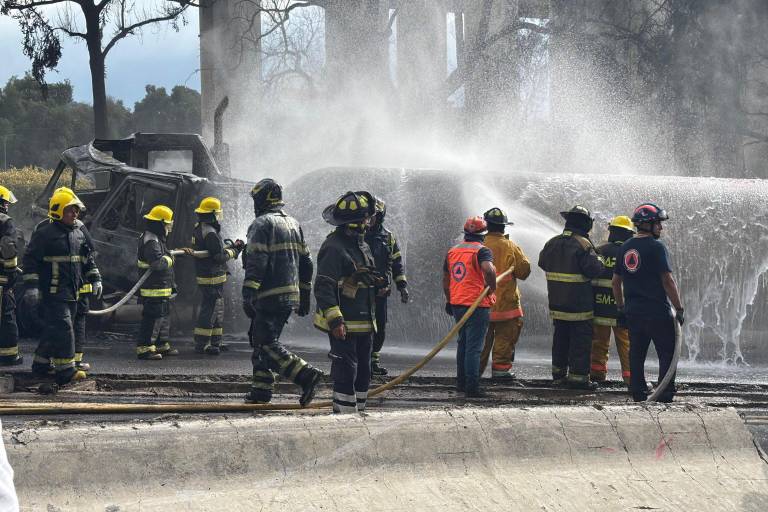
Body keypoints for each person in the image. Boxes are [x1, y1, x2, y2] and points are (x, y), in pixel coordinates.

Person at [243, 179, 322, 406]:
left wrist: (248, 292)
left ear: (262, 200)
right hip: (289, 294)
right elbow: (307, 262)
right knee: (261, 339)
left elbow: (257, 262)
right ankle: (261, 391)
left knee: (266, 344)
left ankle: (306, 375)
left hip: (269, 294)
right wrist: (304, 294)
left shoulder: (261, 224)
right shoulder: (294, 223)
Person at [22, 189, 97, 384]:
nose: (75, 214)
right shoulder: (44, 234)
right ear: (58, 211)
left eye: (76, 210)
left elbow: (87, 260)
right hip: (53, 292)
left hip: (72, 292)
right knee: (64, 328)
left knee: (54, 328)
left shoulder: (78, 234)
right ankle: (66, 371)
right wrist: (32, 287)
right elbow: (30, 261)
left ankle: (40, 364)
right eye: (70, 210)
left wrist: (95, 278)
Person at [314, 191, 379, 413]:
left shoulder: (361, 244)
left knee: (364, 372)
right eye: (366, 219)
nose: (369, 222)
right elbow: (324, 286)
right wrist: (336, 321)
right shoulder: (333, 247)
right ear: (356, 223)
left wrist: (373, 282)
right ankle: (344, 415)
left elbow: (353, 278)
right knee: (346, 370)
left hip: (364, 321)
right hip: (345, 323)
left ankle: (358, 412)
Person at [613, 203, 684, 403]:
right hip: (657, 312)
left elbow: (615, 282)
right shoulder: (656, 247)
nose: (661, 227)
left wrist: (621, 308)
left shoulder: (625, 247)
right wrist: (679, 308)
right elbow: (667, 280)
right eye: (658, 223)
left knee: (636, 353)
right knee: (667, 353)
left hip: (633, 312)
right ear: (647, 224)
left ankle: (638, 391)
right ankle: (665, 392)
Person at [538, 205, 604, 390]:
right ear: (585, 223)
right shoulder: (584, 244)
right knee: (580, 342)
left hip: (557, 304)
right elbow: (594, 269)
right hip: (579, 306)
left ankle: (558, 375)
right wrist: (600, 260)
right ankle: (578, 379)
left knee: (560, 340)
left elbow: (542, 262)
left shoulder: (552, 242)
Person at [443, 216, 497, 397]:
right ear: (483, 235)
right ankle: (472, 387)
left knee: (463, 344)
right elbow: (489, 269)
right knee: (474, 347)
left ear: (465, 233)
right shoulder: (482, 251)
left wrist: (449, 300)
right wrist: (491, 288)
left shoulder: (452, 251)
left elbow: (446, 280)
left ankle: (461, 384)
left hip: (457, 304)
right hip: (477, 305)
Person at [479, 207, 531, 380]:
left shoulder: (479, 246)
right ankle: (501, 371)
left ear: (486, 225)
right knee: (505, 338)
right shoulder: (511, 246)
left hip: (482, 303)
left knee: (479, 341)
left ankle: (474, 372)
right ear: (504, 227)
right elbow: (524, 272)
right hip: (507, 306)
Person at [191, 197, 244, 355]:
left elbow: (213, 250)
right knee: (210, 310)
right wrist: (234, 251)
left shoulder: (201, 228)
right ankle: (203, 343)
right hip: (212, 277)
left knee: (217, 309)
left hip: (209, 276)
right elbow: (219, 257)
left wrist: (230, 246)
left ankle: (215, 342)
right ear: (212, 214)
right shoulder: (210, 233)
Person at [364, 197, 409, 376]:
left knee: (380, 327)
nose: (370, 218)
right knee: (362, 327)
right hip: (361, 290)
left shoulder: (388, 237)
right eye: (368, 215)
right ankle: (361, 361)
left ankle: (373, 361)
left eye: (374, 215)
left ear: (381, 216)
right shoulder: (358, 233)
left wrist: (402, 286)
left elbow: (396, 263)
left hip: (381, 292)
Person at [590, 215, 634, 384]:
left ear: (612, 231)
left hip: (599, 306)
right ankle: (631, 378)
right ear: (628, 234)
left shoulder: (599, 250)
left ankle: (597, 374)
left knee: (599, 343)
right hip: (622, 308)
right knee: (626, 344)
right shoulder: (630, 254)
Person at [136, 205, 181, 360]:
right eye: (167, 224)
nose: (169, 227)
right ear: (160, 223)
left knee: (163, 316)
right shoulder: (151, 241)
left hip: (160, 287)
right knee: (153, 318)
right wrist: (170, 259)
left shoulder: (155, 237)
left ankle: (162, 345)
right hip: (153, 288)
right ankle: (145, 348)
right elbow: (157, 263)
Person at [0, 186, 21, 367]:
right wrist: (12, 273)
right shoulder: (5, 222)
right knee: (7, 316)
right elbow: (8, 247)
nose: (7, 206)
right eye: (6, 203)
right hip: (2, 280)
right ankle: (9, 356)